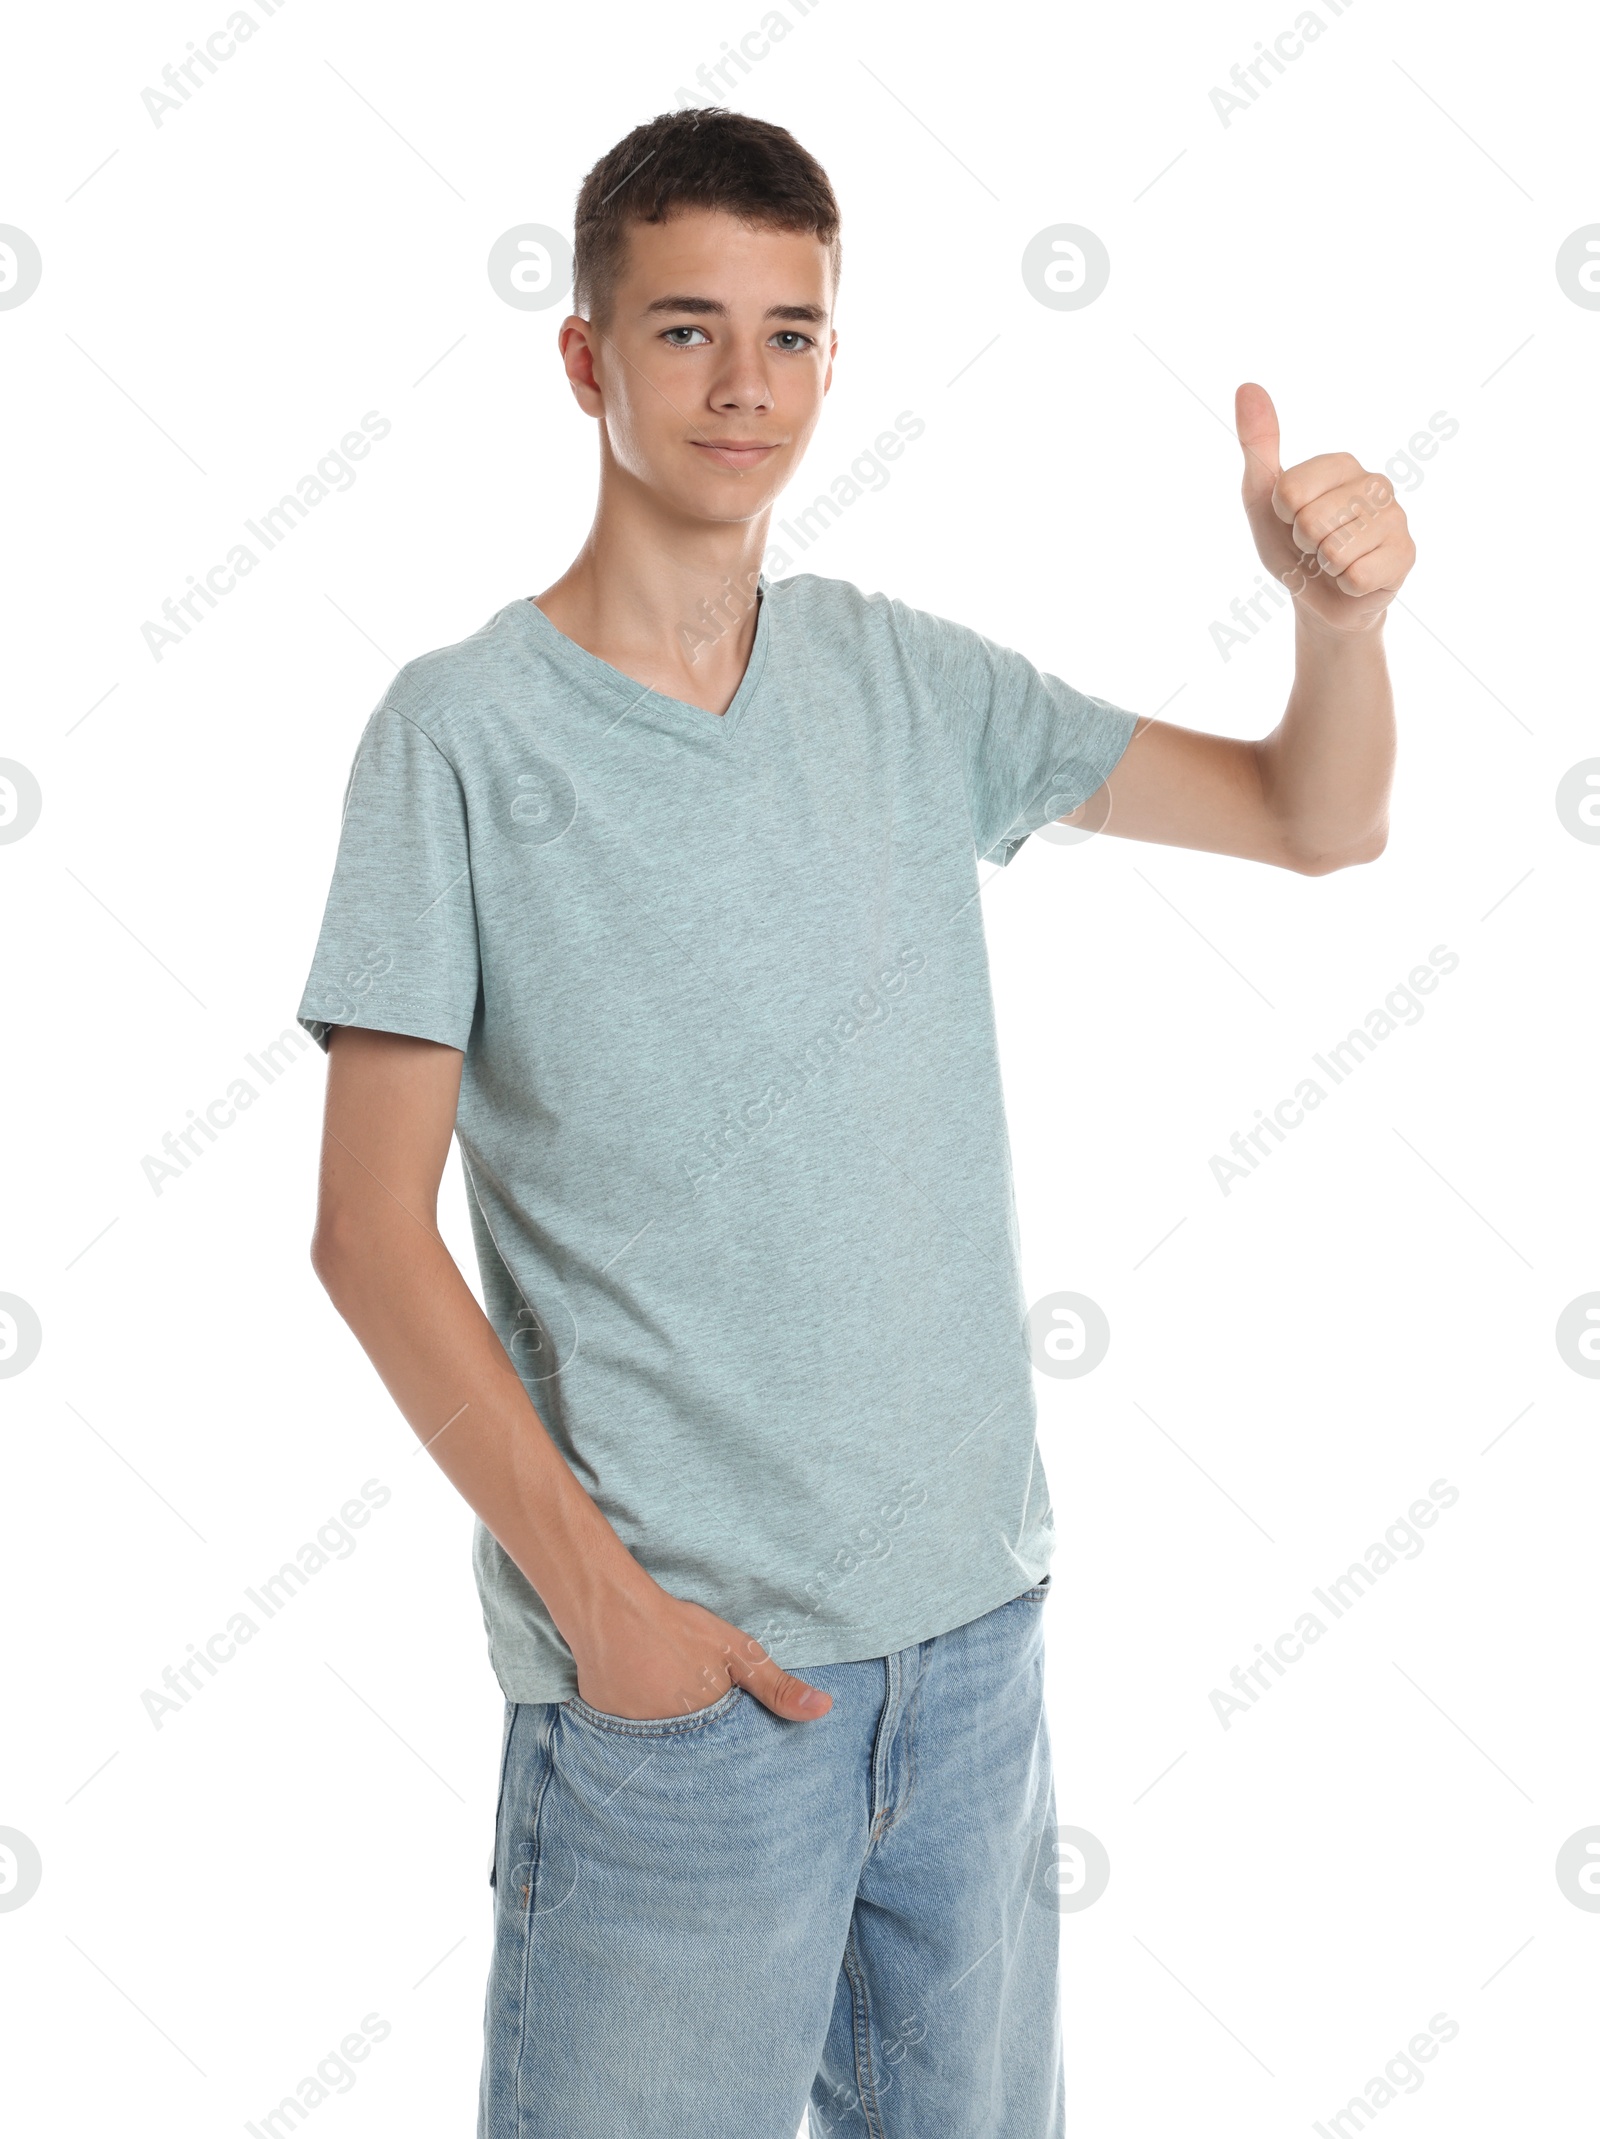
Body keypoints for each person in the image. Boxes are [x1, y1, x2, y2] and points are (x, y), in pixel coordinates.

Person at [297, 106, 1411, 2139]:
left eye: (793, 334)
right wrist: (604, 1613)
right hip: (676, 1709)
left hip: (970, 1664)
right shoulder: (458, 734)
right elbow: (368, 1229)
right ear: (583, 359)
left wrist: (1333, 626)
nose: (746, 386)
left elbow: (1308, 816)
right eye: (687, 330)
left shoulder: (898, 682)